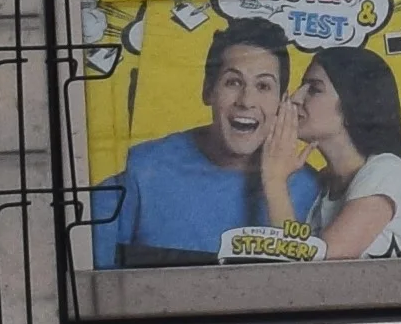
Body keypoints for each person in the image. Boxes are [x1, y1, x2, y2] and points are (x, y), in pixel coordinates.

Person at [103, 17, 301, 264]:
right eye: (233, 82)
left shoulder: (308, 186)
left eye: (263, 86)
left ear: (282, 102)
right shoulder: (141, 170)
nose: (246, 100)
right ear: (208, 90)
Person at [288, 44, 401, 260]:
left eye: (314, 89)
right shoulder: (326, 186)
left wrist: (273, 179)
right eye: (301, 86)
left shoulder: (387, 172)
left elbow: (311, 269)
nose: (296, 97)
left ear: (353, 103)